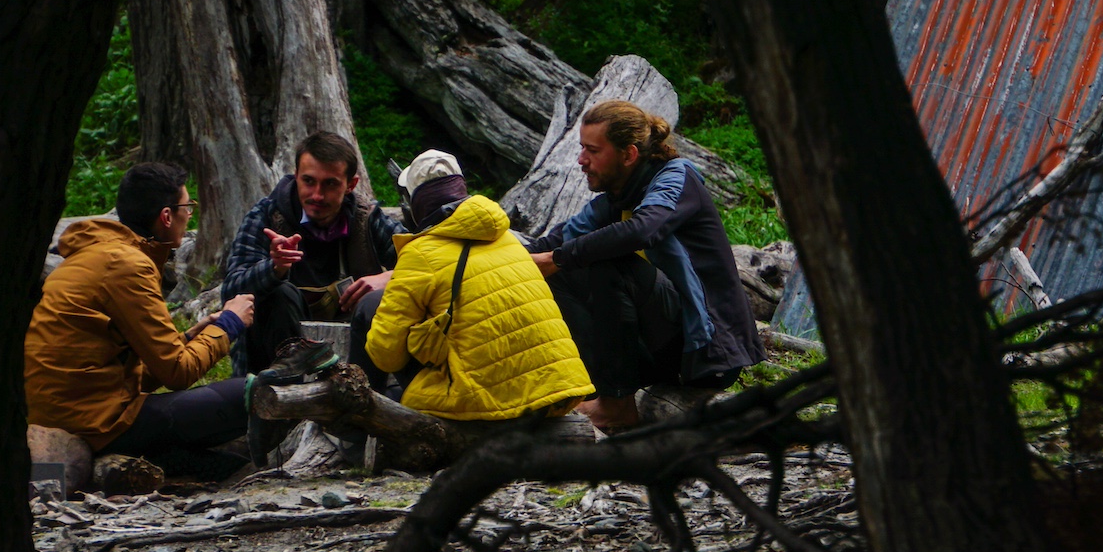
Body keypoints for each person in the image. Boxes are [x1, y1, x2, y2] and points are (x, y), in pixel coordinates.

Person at [530, 100, 762, 431]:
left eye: (593, 151)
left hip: (706, 353)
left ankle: (616, 404)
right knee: (557, 271)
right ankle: (593, 388)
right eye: (582, 148)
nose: (581, 160)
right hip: (660, 348)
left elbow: (644, 229)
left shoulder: (677, 178)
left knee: (597, 262)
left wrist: (558, 257)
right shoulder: (616, 197)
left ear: (628, 155)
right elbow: (545, 246)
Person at [25, 161, 255, 479]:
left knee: (212, 449)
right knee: (254, 393)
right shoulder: (127, 264)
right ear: (166, 216)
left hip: (65, 412)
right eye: (187, 207)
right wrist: (229, 324)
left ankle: (195, 466)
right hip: (93, 422)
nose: (190, 213)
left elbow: (121, 372)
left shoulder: (94, 255)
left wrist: (189, 339)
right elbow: (178, 372)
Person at [366, 150, 593, 422]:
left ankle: (358, 426)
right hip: (561, 389)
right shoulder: (507, 239)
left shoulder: (420, 255)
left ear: (417, 205)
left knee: (369, 307)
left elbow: (386, 357)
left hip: (489, 404)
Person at [221, 130, 398, 376]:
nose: (317, 195)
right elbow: (230, 292)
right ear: (296, 176)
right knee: (279, 294)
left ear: (351, 184)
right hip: (269, 364)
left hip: (356, 362)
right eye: (309, 181)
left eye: (330, 184)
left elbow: (425, 260)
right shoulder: (266, 217)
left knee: (377, 299)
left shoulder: (366, 219)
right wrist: (274, 268)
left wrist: (388, 278)